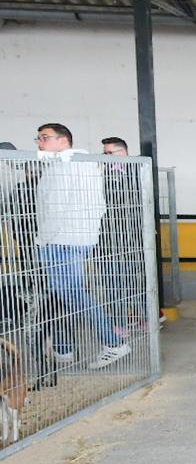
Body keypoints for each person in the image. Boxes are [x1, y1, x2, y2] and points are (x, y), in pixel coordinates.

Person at [34, 122, 132, 369]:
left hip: (62, 240)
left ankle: (112, 342)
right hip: (72, 239)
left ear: (63, 140)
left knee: (72, 295)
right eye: (38, 138)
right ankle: (64, 347)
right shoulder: (74, 165)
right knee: (65, 295)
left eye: (45, 137)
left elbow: (54, 209)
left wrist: (42, 239)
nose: (39, 142)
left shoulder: (67, 168)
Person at [96, 136, 145, 331]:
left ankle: (145, 318)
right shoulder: (99, 175)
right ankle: (120, 323)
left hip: (134, 240)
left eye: (109, 153)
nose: (106, 158)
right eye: (104, 154)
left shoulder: (139, 172)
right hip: (108, 240)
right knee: (112, 282)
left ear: (123, 153)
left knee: (137, 280)